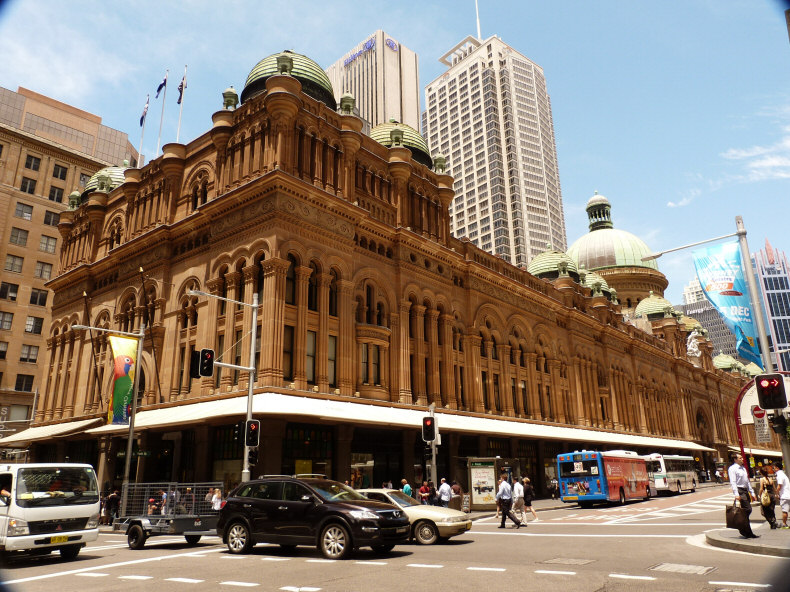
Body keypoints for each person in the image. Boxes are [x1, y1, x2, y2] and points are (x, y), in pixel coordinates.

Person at [728, 452, 758, 538]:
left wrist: (752, 492)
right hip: (740, 490)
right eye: (740, 458)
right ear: (735, 459)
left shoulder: (743, 468)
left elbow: (747, 481)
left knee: (745, 511)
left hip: (745, 490)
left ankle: (746, 530)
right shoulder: (732, 469)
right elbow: (733, 482)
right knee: (747, 509)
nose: (742, 459)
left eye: (742, 458)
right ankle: (744, 529)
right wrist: (736, 494)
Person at [774, 461, 790, 528]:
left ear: (777, 468)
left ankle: (784, 523)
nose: (773, 469)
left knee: (784, 510)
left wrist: (777, 493)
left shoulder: (779, 475)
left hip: (784, 495)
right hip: (788, 494)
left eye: (773, 468)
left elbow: (779, 485)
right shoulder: (783, 474)